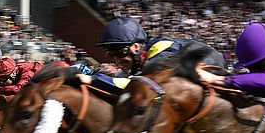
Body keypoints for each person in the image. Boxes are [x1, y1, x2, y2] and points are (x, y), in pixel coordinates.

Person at [88, 16, 225, 94]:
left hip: (213, 74)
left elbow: (139, 84)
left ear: (136, 47)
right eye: (111, 54)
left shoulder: (161, 49)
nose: (117, 59)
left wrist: (92, 80)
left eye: (120, 52)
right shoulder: (143, 58)